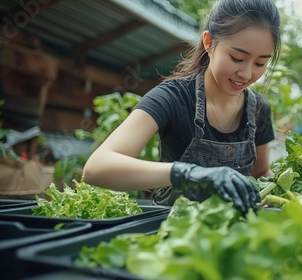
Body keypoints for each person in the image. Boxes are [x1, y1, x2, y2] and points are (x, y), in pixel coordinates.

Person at [83, 0, 281, 215]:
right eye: (237, 58)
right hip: (173, 233)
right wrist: (186, 173)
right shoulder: (173, 97)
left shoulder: (258, 110)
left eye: (260, 63)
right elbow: (97, 168)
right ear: (209, 42)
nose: (246, 73)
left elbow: (261, 172)